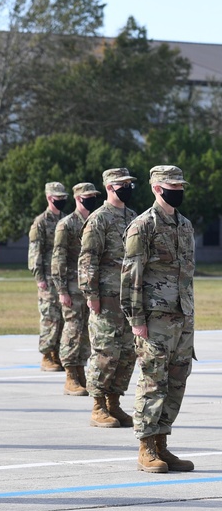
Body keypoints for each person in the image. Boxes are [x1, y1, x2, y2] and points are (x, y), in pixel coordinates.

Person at [122, 165, 195, 473]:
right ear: (157, 188)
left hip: (182, 316)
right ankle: (146, 446)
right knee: (153, 381)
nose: (177, 190)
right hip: (154, 317)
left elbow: (187, 275)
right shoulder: (143, 226)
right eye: (171, 186)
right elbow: (131, 275)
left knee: (177, 380)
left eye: (180, 185)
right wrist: (136, 318)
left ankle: (162, 443)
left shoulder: (185, 225)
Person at [78, 168, 138, 428]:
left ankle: (114, 402)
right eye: (123, 184)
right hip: (106, 297)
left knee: (127, 352)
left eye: (129, 183)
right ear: (110, 187)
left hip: (130, 298)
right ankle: (98, 405)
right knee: (105, 352)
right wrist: (91, 294)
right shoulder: (98, 219)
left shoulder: (134, 217)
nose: (128, 187)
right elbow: (88, 259)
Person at [51, 182, 99, 395]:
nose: (92, 199)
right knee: (72, 327)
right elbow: (58, 257)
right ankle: (70, 374)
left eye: (94, 195)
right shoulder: (66, 224)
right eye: (88, 196)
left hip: (90, 284)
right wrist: (61, 290)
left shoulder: (95, 220)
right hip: (71, 284)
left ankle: (81, 371)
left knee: (87, 329)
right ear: (78, 198)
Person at [28, 182, 68, 372]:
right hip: (47, 277)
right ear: (49, 198)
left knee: (63, 317)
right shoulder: (41, 222)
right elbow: (34, 252)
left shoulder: (65, 220)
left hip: (63, 277)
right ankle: (46, 354)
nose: (60, 201)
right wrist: (40, 278)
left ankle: (57, 353)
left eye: (63, 198)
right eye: (57, 198)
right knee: (50, 316)